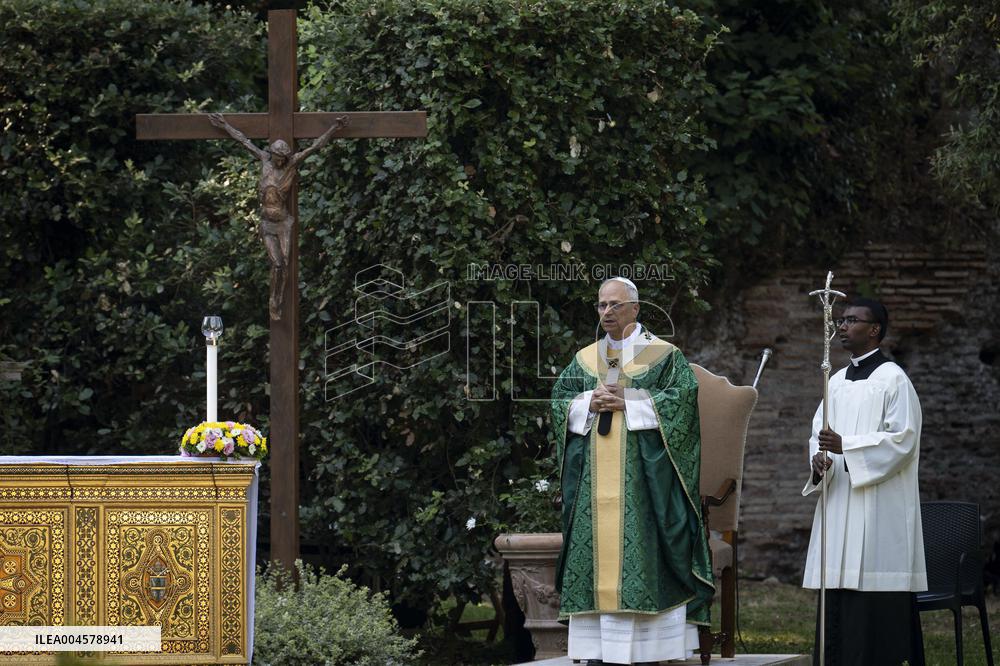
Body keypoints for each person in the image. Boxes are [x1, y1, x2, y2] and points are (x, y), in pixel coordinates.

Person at [550, 277, 713, 666]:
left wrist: (630, 401)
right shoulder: (586, 358)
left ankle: (653, 649)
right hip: (594, 481)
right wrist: (587, 401)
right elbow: (559, 401)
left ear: (636, 309)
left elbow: (683, 404)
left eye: (615, 305)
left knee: (642, 549)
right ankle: (597, 651)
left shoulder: (663, 355)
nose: (607, 312)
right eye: (602, 305)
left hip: (644, 482)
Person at [803, 297, 926, 665]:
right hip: (839, 500)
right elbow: (817, 432)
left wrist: (848, 447)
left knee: (871, 587)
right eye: (841, 320)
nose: (842, 326)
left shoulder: (894, 380)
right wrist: (819, 458)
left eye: (852, 320)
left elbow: (903, 439)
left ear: (874, 330)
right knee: (838, 589)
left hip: (878, 505)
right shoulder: (836, 381)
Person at [207, 112, 347, 320]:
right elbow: (243, 140)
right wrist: (224, 125)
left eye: (283, 158)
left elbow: (315, 147)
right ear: (272, 154)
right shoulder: (264, 159)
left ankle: (279, 299)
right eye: (278, 157)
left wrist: (334, 128)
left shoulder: (291, 165)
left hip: (283, 224)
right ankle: (274, 302)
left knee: (286, 265)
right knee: (277, 264)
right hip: (267, 224)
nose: (280, 161)